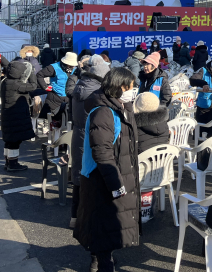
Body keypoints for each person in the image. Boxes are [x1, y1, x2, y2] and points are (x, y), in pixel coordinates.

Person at [74, 68, 140, 272]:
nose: (133, 91)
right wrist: (116, 184)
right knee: (103, 220)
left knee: (107, 221)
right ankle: (103, 263)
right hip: (102, 175)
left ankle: (102, 259)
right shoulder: (103, 111)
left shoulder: (120, 106)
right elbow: (101, 151)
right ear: (120, 87)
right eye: (131, 87)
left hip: (114, 172)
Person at [70, 55, 110, 228]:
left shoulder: (80, 84)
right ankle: (87, 219)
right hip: (90, 136)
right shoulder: (97, 94)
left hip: (78, 135)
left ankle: (75, 217)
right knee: (92, 177)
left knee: (79, 177)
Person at [0, 61, 45, 171]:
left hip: (8, 115)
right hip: (16, 116)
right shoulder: (16, 84)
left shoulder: (6, 81)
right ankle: (13, 164)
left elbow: (26, 91)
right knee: (15, 140)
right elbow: (33, 86)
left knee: (9, 140)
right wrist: (32, 74)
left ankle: (8, 162)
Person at [190, 52, 212, 138]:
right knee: (201, 133)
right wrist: (203, 84)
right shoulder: (204, 70)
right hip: (204, 107)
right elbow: (193, 80)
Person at [36, 52, 79, 121]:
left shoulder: (76, 70)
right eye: (70, 65)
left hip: (69, 98)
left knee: (65, 121)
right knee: (46, 120)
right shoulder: (53, 67)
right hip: (54, 99)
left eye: (73, 65)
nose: (72, 67)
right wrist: (45, 87)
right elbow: (39, 75)